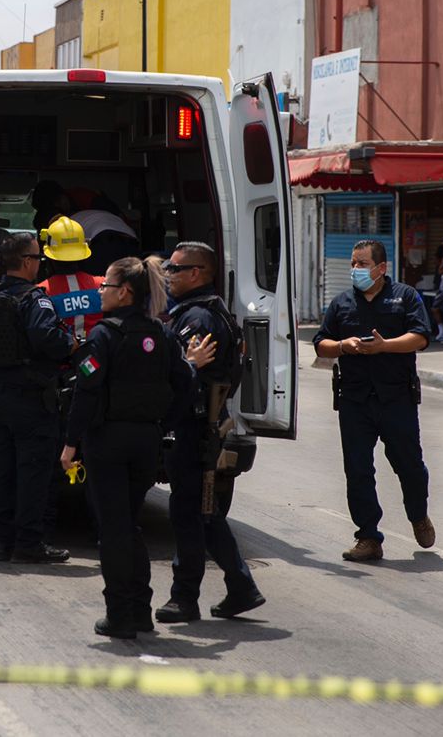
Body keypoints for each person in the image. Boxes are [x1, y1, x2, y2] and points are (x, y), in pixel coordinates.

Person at [59, 256, 198, 639]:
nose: (99, 291)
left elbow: (85, 393)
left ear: (124, 292)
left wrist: (70, 443)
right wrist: (162, 424)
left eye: (105, 285)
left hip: (108, 442)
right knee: (129, 523)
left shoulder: (103, 337)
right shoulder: (163, 334)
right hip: (146, 442)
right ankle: (139, 609)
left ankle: (120, 614)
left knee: (114, 529)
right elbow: (186, 383)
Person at [157, 241, 266, 624]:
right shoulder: (198, 312)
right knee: (204, 512)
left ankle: (185, 597)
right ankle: (240, 586)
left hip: (192, 428)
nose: (168, 275)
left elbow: (184, 379)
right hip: (198, 428)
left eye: (175, 268)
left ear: (197, 273)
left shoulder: (198, 320)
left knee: (190, 513)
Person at [313, 240, 437, 563]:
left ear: (381, 268)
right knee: (357, 470)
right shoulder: (341, 303)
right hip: (355, 400)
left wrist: (385, 346)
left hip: (396, 399)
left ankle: (418, 514)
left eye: (362, 264)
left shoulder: (405, 297)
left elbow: (421, 337)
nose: (356, 269)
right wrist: (342, 345)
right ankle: (368, 536)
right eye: (353, 263)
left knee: (410, 466)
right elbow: (320, 343)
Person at [0, 232, 75, 564]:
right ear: (28, 262)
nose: (40, 264)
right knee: (33, 474)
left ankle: (2, 543)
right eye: (38, 258)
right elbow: (47, 338)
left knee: (2, 471)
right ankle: (29, 543)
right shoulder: (35, 300)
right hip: (31, 401)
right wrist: (70, 344)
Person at [37, 216, 104, 341]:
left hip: (60, 356)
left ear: (49, 256)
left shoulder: (41, 292)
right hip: (95, 354)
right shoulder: (101, 285)